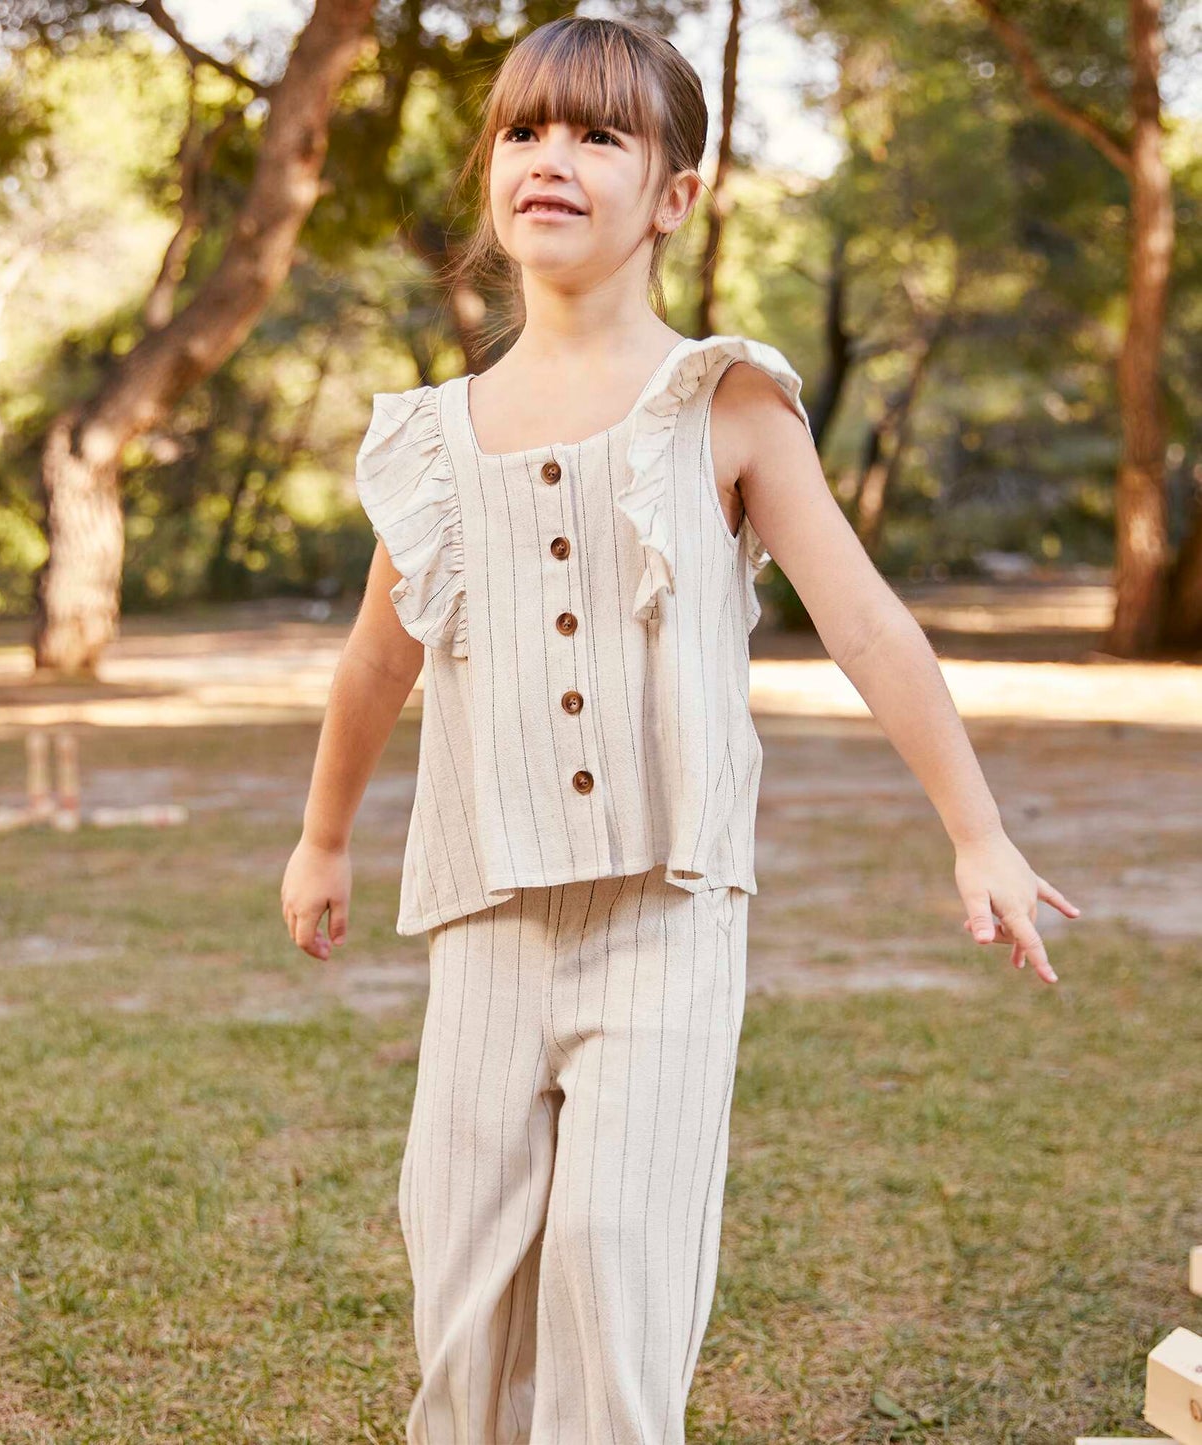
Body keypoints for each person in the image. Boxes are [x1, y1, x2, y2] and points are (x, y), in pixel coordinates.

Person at [282, 14, 1080, 1442]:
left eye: (599, 133)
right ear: (489, 175)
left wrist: (979, 833)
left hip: (667, 912)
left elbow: (867, 623)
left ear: (672, 194)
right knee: (458, 1261)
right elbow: (370, 665)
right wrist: (321, 837)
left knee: (613, 1254)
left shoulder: (723, 404)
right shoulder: (429, 438)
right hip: (484, 913)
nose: (551, 157)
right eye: (524, 130)